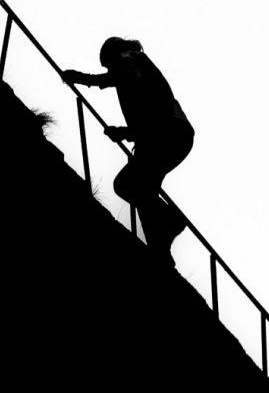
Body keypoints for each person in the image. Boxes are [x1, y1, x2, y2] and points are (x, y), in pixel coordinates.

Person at [63, 37, 194, 261]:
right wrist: (123, 133)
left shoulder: (128, 58)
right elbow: (149, 115)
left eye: (107, 65)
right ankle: (161, 250)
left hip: (166, 134)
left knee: (127, 184)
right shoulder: (141, 70)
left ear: (112, 56)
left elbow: (126, 77)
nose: (109, 70)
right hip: (171, 135)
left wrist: (82, 78)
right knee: (143, 190)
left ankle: (170, 221)